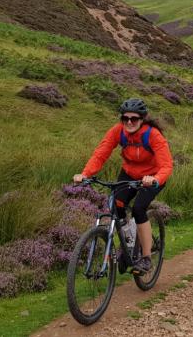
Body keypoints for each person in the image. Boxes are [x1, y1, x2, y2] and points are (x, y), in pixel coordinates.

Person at [73, 98, 173, 274]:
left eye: (134, 119)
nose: (129, 122)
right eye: (125, 118)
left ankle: (147, 258)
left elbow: (166, 165)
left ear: (142, 119)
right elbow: (101, 153)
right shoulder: (118, 131)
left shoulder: (153, 135)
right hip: (129, 174)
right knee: (115, 206)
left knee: (138, 209)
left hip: (153, 176)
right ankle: (129, 242)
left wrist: (155, 178)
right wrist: (85, 174)